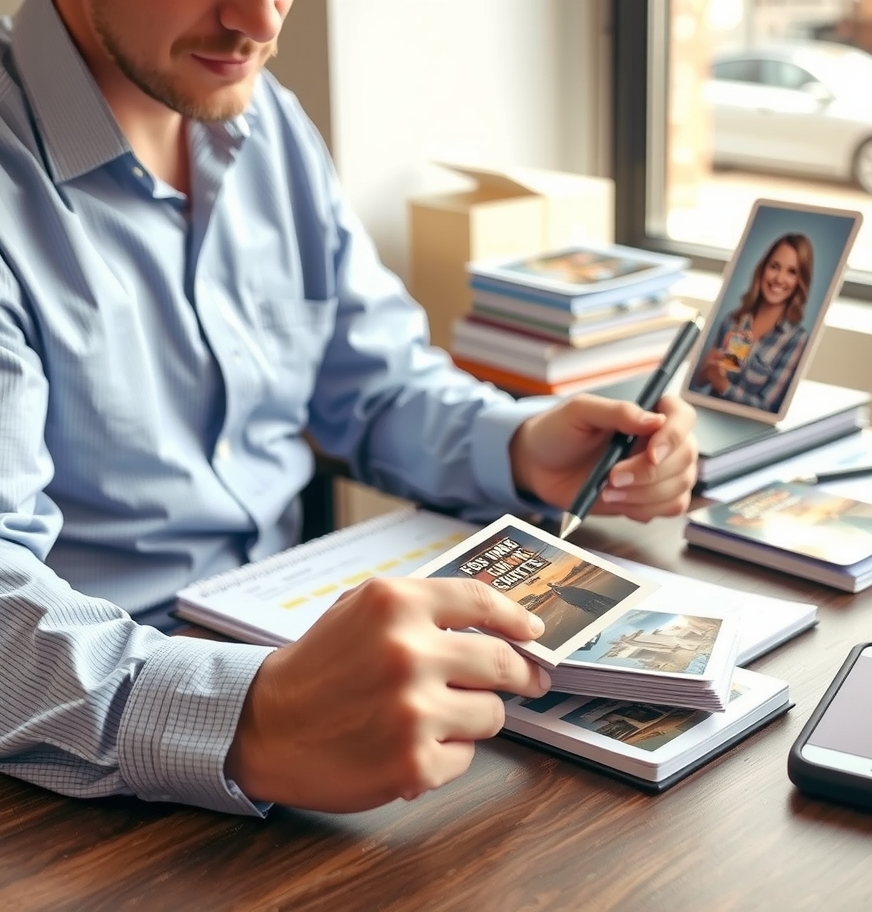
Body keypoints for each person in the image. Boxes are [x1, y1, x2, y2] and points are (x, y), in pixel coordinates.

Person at [0, 0, 698, 818]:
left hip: (301, 674)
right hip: (78, 767)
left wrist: (519, 447)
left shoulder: (267, 123)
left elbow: (375, 384)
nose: (262, 22)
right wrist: (251, 716)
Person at [689, 233, 813, 414]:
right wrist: (706, 369)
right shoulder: (733, 321)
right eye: (774, 266)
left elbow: (768, 407)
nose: (779, 278)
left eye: (791, 272)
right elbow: (699, 385)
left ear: (800, 281)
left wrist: (724, 386)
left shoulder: (796, 339)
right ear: (763, 268)